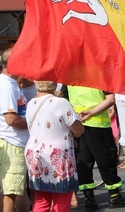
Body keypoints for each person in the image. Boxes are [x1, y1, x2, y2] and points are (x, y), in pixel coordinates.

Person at [66, 86, 125, 211]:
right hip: (98, 124)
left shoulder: (70, 78)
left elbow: (64, 100)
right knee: (107, 161)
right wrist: (91, 112)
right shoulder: (100, 74)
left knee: (83, 164)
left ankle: (89, 199)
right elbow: (111, 99)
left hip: (77, 124)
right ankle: (114, 196)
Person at [25, 81, 84, 212]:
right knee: (62, 200)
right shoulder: (61, 103)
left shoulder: (30, 104)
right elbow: (78, 130)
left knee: (41, 200)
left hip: (35, 154)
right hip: (57, 155)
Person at [0, 48, 37, 212]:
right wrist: (35, 122)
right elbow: (11, 119)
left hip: (16, 143)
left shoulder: (12, 84)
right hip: (12, 143)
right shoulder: (7, 86)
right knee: (11, 192)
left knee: (18, 189)